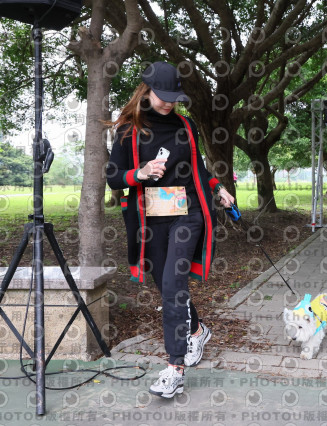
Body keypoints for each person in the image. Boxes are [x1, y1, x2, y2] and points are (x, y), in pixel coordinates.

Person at [106, 61, 234, 399]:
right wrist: (140, 172)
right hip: (151, 220)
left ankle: (174, 368)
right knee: (166, 286)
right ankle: (197, 330)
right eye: (163, 96)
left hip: (188, 213)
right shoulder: (128, 130)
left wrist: (218, 187)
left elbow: (198, 168)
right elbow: (113, 177)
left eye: (174, 97)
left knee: (174, 285)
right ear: (146, 91)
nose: (169, 103)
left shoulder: (185, 125)